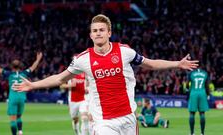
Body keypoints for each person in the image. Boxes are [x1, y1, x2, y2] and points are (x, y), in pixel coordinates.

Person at [13, 14, 198, 135]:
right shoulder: (82, 59)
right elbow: (60, 78)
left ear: (109, 32)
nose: (98, 33)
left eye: (101, 30)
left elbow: (150, 64)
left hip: (128, 117)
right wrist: (32, 85)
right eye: (94, 31)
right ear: (90, 35)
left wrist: (177, 64)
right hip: (103, 122)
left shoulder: (124, 51)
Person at [0, 52, 42, 135]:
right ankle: (20, 131)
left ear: (12, 66)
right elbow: (32, 67)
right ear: (20, 66)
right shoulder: (24, 73)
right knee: (19, 116)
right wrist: (38, 59)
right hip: (22, 97)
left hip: (13, 97)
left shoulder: (9, 74)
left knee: (13, 119)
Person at [188, 68, 209, 135]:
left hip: (193, 93)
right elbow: (207, 85)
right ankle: (202, 133)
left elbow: (187, 84)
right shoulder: (205, 73)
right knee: (202, 113)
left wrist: (188, 92)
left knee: (192, 113)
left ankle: (192, 133)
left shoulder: (191, 73)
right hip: (202, 92)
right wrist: (208, 94)